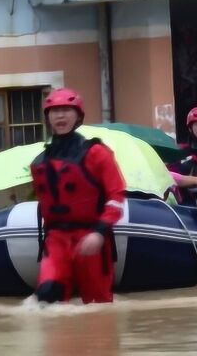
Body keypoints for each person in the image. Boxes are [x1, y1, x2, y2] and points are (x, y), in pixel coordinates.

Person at [31, 88, 126, 304]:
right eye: (54, 111)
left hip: (91, 237)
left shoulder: (97, 153)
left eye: (66, 110)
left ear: (78, 116)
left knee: (97, 306)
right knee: (47, 299)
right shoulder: (39, 162)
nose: (60, 116)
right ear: (47, 117)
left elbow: (116, 195)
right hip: (56, 240)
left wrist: (100, 232)